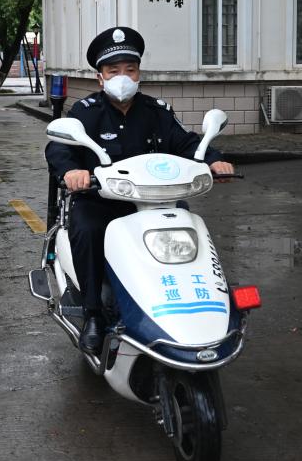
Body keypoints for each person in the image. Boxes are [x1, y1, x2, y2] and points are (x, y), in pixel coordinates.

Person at [45, 26, 235, 354]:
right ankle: (93, 313)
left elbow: (187, 142)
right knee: (87, 229)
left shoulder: (156, 111)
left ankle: (193, 306)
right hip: (102, 201)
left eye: (129, 69)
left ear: (138, 73)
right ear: (100, 78)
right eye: (113, 71)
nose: (123, 77)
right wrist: (72, 171)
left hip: (154, 203)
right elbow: (59, 148)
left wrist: (214, 160)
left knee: (186, 228)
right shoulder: (85, 112)